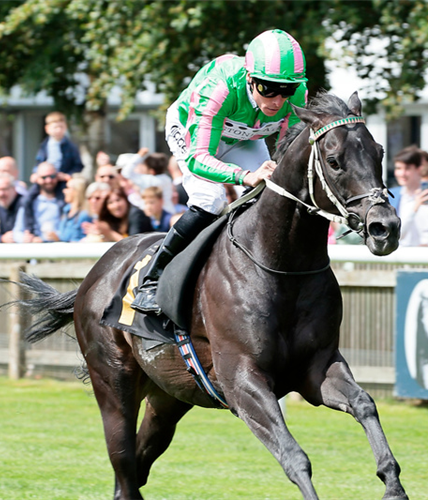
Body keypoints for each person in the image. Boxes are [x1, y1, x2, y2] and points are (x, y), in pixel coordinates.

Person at [132, 28, 309, 313]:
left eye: (285, 90)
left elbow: (286, 154)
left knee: (274, 194)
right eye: (268, 88)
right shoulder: (221, 87)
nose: (277, 101)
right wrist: (244, 176)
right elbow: (199, 158)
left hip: (243, 138)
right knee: (210, 199)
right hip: (194, 135)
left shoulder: (298, 93)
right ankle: (153, 278)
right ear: (250, 79)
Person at [12, 162, 64, 243]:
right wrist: (26, 238)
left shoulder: (65, 201)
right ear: (37, 179)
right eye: (44, 177)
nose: (48, 180)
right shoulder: (28, 202)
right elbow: (17, 232)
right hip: (35, 250)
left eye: (52, 176)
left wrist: (57, 236)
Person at [118, 149, 176, 214]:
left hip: (151, 215)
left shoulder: (147, 180)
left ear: (152, 171)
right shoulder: (167, 179)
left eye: (145, 166)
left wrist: (139, 156)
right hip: (169, 212)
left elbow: (126, 172)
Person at [84, 187, 151, 242]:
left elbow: (133, 245)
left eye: (118, 200)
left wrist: (109, 233)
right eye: (110, 203)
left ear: (125, 200)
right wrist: (101, 233)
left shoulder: (136, 214)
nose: (116, 205)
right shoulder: (113, 219)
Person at [33, 111, 84, 183]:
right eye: (55, 127)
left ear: (66, 127)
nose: (58, 130)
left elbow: (78, 165)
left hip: (62, 180)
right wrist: (36, 173)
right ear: (47, 129)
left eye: (61, 127)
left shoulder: (71, 146)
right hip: (46, 177)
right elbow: (39, 161)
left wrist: (68, 175)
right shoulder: (44, 145)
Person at [52, 175, 92, 242]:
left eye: (68, 188)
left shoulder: (85, 215)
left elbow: (80, 240)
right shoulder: (66, 210)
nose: (64, 191)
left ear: (77, 191)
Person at [0, 174, 23, 242]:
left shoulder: (24, 204)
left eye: (4, 189)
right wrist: (2, 238)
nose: (1, 193)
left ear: (14, 189)